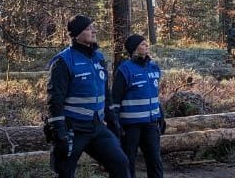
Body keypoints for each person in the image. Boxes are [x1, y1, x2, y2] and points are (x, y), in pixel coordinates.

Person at [45, 15, 129, 178]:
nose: (94, 30)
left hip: (97, 127)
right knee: (64, 172)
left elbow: (106, 93)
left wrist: (112, 121)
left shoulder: (98, 58)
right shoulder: (63, 61)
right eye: (89, 28)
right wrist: (59, 132)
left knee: (120, 163)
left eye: (93, 27)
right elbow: (55, 99)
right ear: (76, 34)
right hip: (73, 129)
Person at [113, 34, 165, 178]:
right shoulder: (125, 70)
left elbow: (154, 95)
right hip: (130, 126)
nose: (146, 46)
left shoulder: (154, 68)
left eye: (146, 44)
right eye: (142, 44)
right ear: (134, 49)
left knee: (155, 161)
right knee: (128, 161)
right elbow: (115, 99)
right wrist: (115, 123)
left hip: (151, 124)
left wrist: (161, 115)